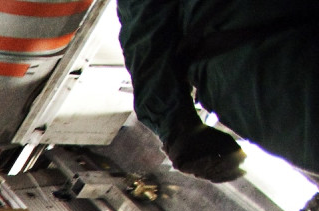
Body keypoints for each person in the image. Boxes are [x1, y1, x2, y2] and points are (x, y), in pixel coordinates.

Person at [116, 0, 318, 180]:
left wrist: (175, 129)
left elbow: (143, 35)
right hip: (256, 55)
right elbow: (144, 36)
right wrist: (175, 129)